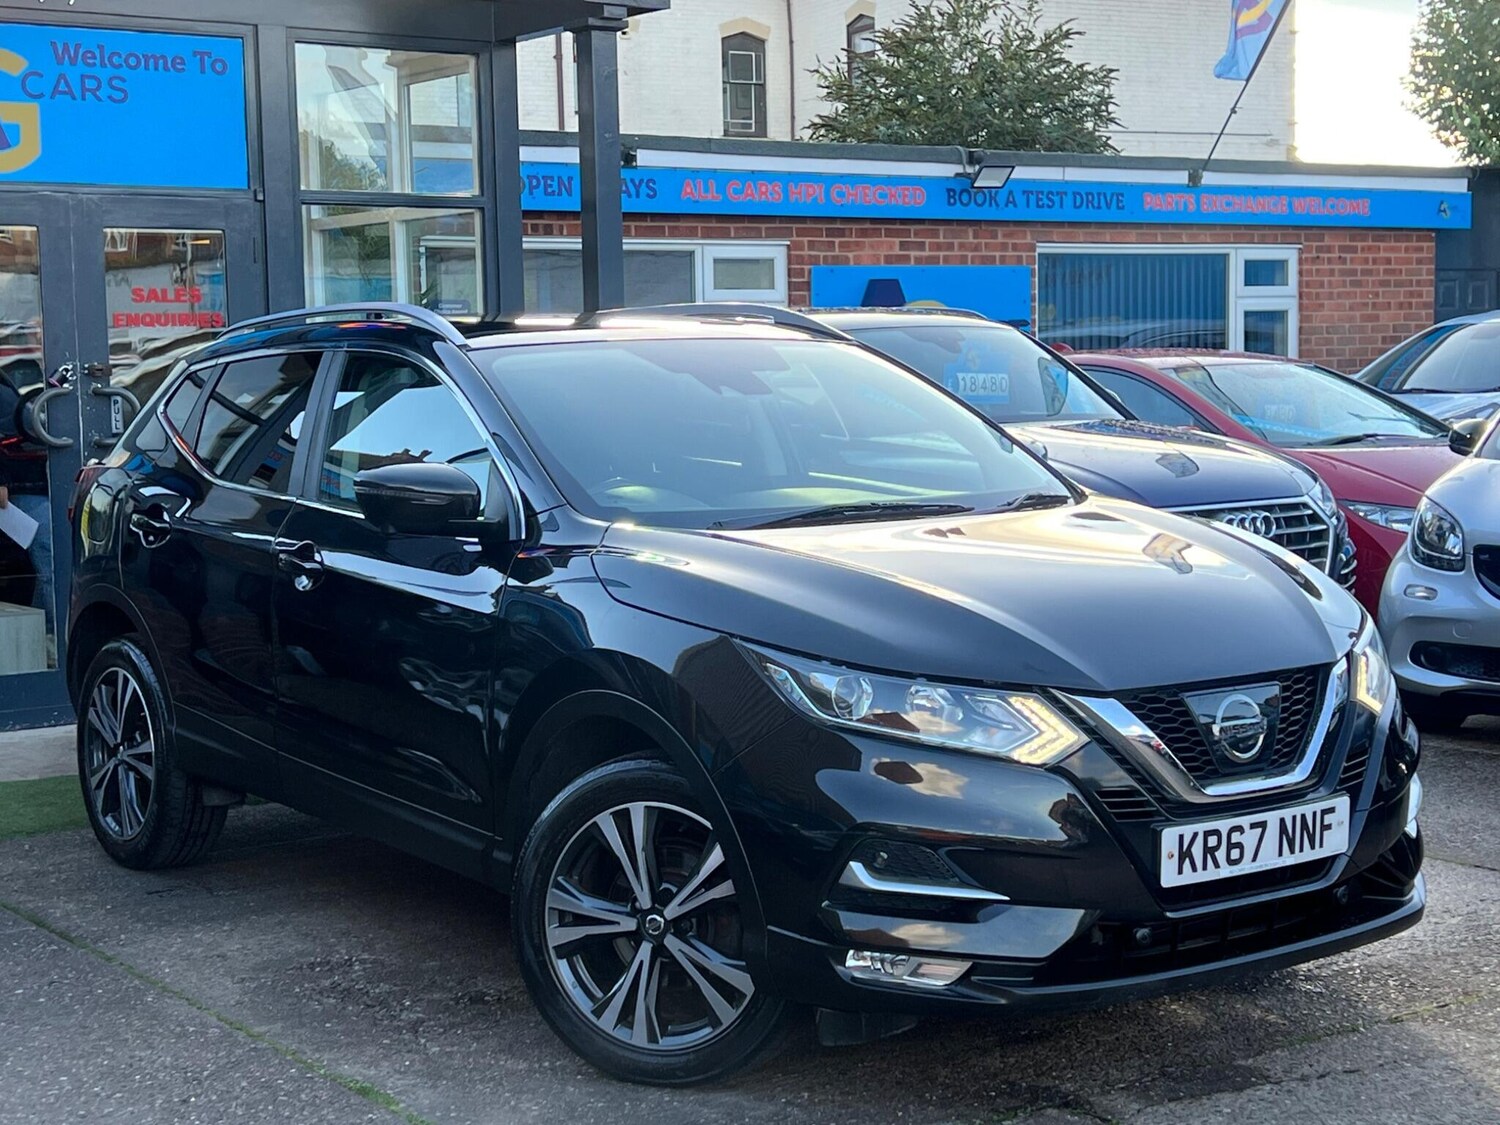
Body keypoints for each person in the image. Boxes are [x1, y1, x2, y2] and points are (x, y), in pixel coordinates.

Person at [0, 367, 54, 654]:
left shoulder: (8, 383)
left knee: (50, 558)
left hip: (32, 481)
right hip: (19, 486)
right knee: (51, 554)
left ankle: (43, 636)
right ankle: (47, 637)